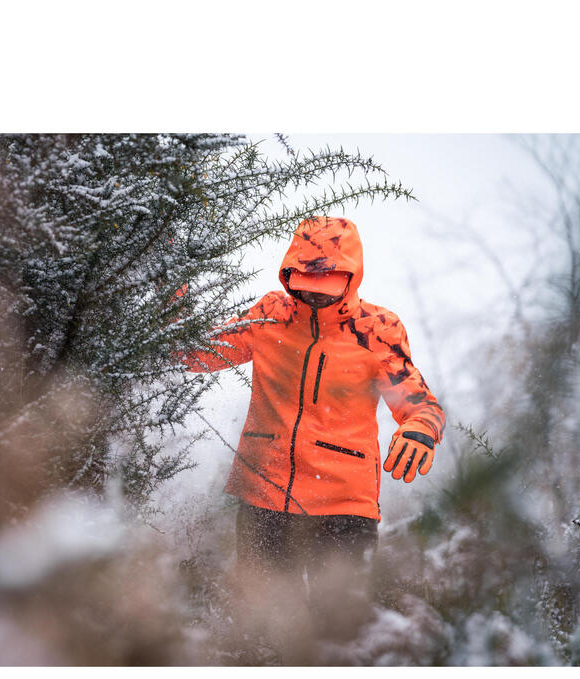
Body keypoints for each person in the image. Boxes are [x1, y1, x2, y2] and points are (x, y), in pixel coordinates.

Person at [177, 216, 447, 587]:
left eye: (327, 285)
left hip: (344, 510)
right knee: (262, 626)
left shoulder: (375, 330)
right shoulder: (270, 315)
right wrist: (171, 284)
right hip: (263, 498)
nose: (314, 296)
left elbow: (420, 404)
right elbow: (195, 353)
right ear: (289, 274)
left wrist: (419, 430)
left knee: (339, 632)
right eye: (304, 285)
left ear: (352, 278)